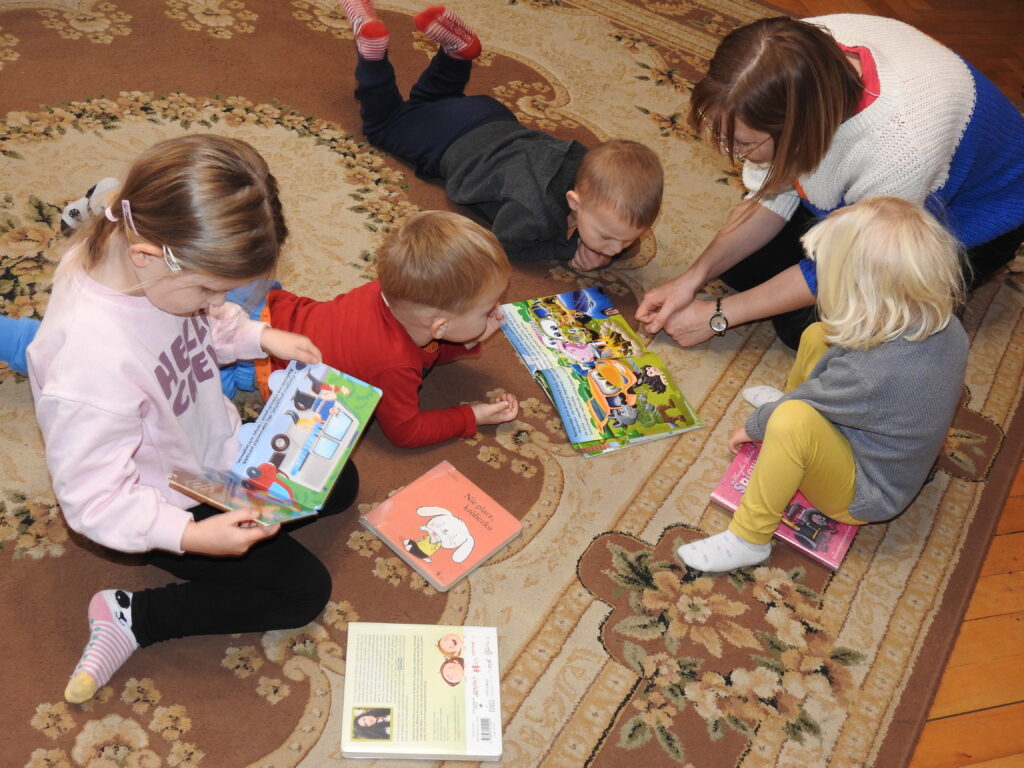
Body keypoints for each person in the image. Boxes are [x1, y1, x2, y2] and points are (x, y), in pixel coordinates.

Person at [26, 134, 360, 704]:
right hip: (166, 500)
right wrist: (190, 536)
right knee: (303, 593)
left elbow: (207, 320)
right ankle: (137, 616)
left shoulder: (143, 261)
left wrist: (258, 335)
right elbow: (94, 502)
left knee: (340, 480)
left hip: (211, 448)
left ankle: (232, 512)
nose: (217, 299)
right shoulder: (88, 368)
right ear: (149, 256)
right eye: (209, 287)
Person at [637, 14, 1024, 350]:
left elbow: (851, 262)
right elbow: (774, 192)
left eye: (741, 144)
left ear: (797, 131)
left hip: (963, 215)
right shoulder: (791, 54)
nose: (728, 151)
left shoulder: (900, 149)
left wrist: (719, 316)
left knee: (807, 330)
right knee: (740, 268)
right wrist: (691, 280)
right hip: (868, 186)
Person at [677, 197, 969, 572]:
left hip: (866, 492)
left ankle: (749, 539)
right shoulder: (946, 326)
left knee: (790, 421)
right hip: (874, 430)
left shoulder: (874, 373)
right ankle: (798, 414)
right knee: (818, 334)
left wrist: (756, 426)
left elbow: (849, 387)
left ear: (863, 296)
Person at [341, 1, 664, 271]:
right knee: (383, 126)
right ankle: (372, 53)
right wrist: (566, 251)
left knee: (432, 104)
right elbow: (505, 246)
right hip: (448, 142)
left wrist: (600, 238)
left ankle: (457, 53)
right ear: (573, 201)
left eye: (627, 239)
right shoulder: (533, 215)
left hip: (489, 115)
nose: (616, 249)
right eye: (608, 237)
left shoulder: (589, 168)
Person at [230, 209, 519, 449]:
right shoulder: (394, 366)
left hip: (265, 303)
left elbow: (427, 344)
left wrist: (468, 338)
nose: (495, 309)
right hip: (253, 358)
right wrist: (471, 415)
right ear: (440, 326)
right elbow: (408, 432)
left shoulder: (385, 293)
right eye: (486, 309)